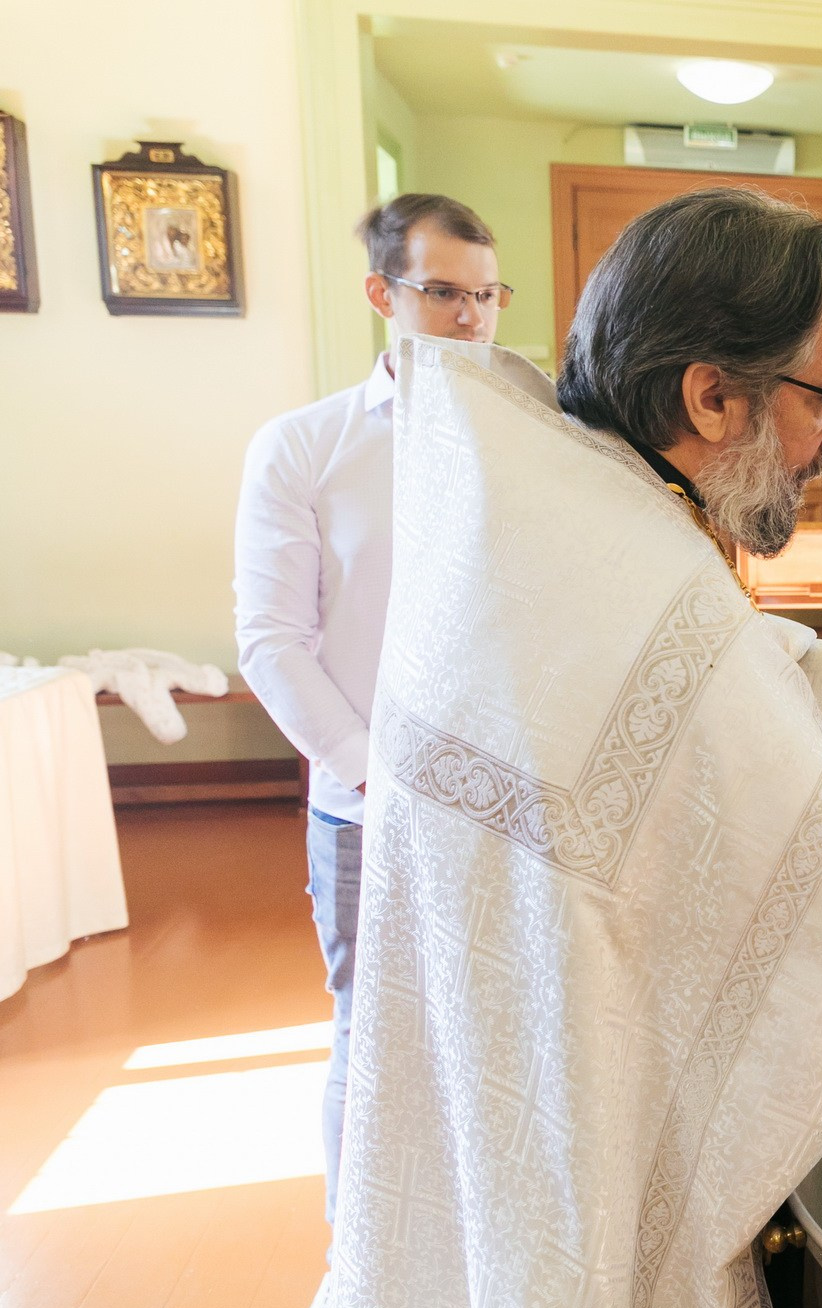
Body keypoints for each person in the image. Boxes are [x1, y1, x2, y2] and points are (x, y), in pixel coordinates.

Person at [303, 188, 822, 1308]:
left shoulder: (559, 507)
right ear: (711, 394)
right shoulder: (636, 566)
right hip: (585, 1137)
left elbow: (697, 683)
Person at [233, 191, 507, 1226]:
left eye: (486, 297)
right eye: (443, 294)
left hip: (497, 798)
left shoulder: (526, 439)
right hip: (370, 805)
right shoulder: (304, 447)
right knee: (372, 1033)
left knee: (492, 1033)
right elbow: (270, 642)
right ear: (379, 294)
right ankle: (365, 1260)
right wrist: (375, 772)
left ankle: (466, 1237)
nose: (470, 321)